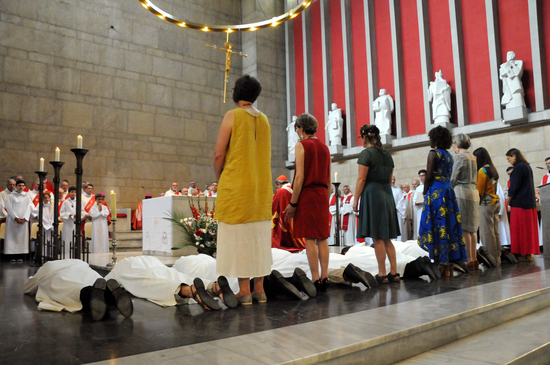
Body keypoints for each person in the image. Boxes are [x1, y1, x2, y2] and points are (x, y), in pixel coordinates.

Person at [214, 75, 272, 305]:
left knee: (239, 239)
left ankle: (244, 290)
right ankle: (260, 289)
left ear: (237, 93)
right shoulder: (265, 119)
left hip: (237, 187)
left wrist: (221, 177)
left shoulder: (233, 115)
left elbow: (219, 154)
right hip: (260, 190)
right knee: (257, 238)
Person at [283, 113, 331, 292]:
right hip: (322, 194)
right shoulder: (325, 148)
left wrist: (293, 203)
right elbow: (327, 178)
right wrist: (325, 199)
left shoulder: (301, 145)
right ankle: (325, 276)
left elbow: (300, 177)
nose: (296, 132)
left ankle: (316, 278)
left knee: (310, 238)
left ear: (301, 128)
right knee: (323, 238)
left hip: (308, 194)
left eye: (297, 128)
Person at [353, 124, 400, 284]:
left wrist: (355, 199)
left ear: (365, 137)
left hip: (372, 195)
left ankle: (382, 273)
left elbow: (361, 178)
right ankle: (394, 272)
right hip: (386, 194)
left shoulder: (366, 154)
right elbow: (389, 178)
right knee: (386, 238)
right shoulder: (387, 154)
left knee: (377, 238)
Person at [418, 126, 467, 276]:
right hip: (448, 192)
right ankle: (449, 263)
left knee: (437, 225)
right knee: (448, 225)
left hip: (436, 193)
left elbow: (429, 176)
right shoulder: (448, 155)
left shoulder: (433, 154)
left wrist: (425, 191)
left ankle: (441, 262)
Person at [450, 133, 480, 270]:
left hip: (462, 192)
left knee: (464, 229)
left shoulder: (460, 156)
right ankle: (474, 258)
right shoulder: (473, 157)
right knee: (472, 228)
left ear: (457, 144)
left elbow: (454, 177)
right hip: (473, 191)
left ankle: (468, 258)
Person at [506, 148, 539, 261]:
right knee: (528, 231)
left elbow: (515, 185)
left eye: (509, 158)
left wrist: (509, 198)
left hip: (520, 203)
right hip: (528, 203)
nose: (508, 161)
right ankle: (528, 253)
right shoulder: (526, 166)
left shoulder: (519, 167)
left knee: (521, 230)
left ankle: (523, 253)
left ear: (514, 156)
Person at [473, 147, 501, 267]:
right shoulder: (492, 168)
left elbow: (479, 190)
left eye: (475, 157)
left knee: (486, 233)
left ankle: (491, 259)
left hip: (486, 203)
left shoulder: (482, 171)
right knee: (495, 232)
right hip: (495, 202)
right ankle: (497, 257)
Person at [271, 175, 305, 252]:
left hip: (285, 215)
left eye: (277, 187)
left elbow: (274, 206)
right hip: (296, 216)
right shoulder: (294, 188)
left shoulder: (281, 191)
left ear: (279, 184)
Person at [4, 180, 32, 261]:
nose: (21, 187)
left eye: (23, 185)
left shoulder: (26, 196)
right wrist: (15, 217)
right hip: (13, 221)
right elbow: (9, 208)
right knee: (12, 237)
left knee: (21, 238)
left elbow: (28, 208)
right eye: (19, 185)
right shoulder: (11, 196)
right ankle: (12, 256)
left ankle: (21, 255)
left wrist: (24, 218)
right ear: (16, 186)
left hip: (23, 221)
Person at [60, 186, 85, 258]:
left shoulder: (79, 202)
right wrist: (69, 214)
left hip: (75, 222)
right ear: (69, 193)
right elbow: (61, 213)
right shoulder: (65, 202)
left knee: (76, 238)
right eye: (72, 192)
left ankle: (76, 255)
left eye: (75, 192)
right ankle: (66, 255)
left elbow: (83, 212)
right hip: (67, 223)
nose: (73, 194)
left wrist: (78, 215)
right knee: (67, 238)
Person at [390, 176, 407, 242]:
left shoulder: (398, 190)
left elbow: (401, 201)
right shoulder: (384, 189)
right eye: (391, 179)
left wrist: (397, 207)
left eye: (394, 180)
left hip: (397, 212)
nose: (393, 181)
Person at [412, 171, 426, 239]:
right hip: (420, 209)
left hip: (428, 209)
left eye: (422, 175)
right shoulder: (418, 188)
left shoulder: (430, 186)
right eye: (420, 176)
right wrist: (417, 202)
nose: (421, 177)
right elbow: (414, 200)